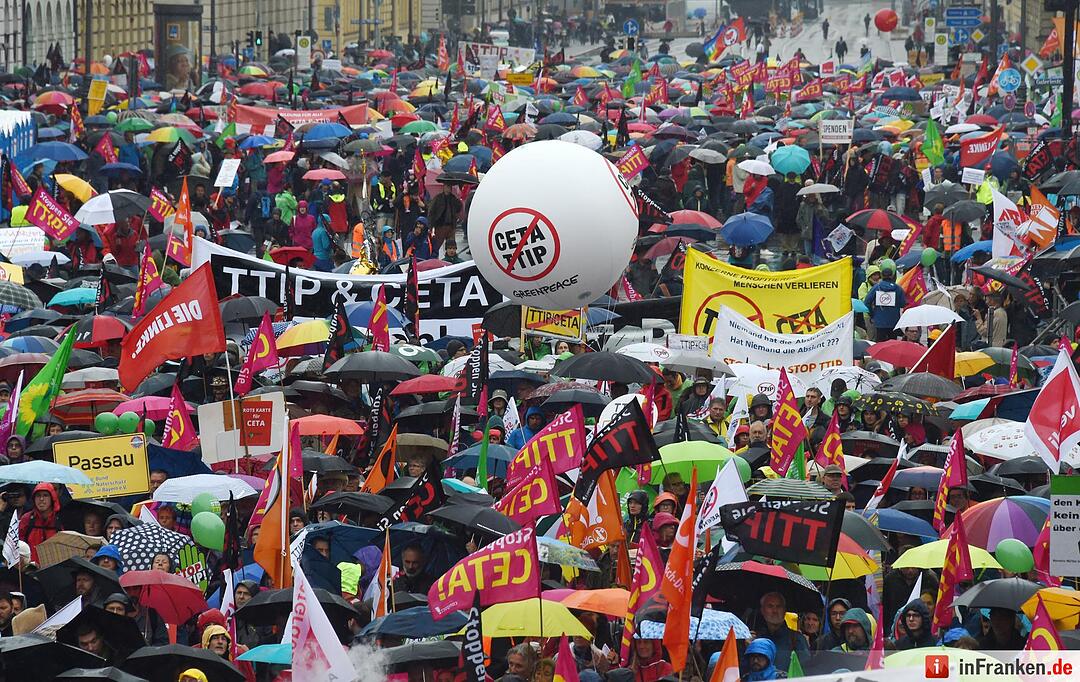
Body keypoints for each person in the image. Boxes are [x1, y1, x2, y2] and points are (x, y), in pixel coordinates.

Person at [755, 591, 808, 670]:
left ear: (784, 611)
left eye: (778, 606)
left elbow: (806, 669)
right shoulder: (756, 639)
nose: (775, 611)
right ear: (762, 610)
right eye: (770, 606)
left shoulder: (796, 639)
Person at [863, 260, 906, 341]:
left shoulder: (876, 287)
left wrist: (872, 314)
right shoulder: (898, 288)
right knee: (892, 344)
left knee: (880, 344)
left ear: (881, 276)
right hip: (893, 321)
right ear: (892, 276)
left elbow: (867, 302)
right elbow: (903, 304)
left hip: (879, 322)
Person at [19, 483, 60, 563]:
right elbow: (19, 545)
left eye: (45, 495)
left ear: (52, 498)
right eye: (38, 496)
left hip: (54, 566)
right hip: (29, 567)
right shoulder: (27, 519)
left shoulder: (60, 519)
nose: (41, 499)